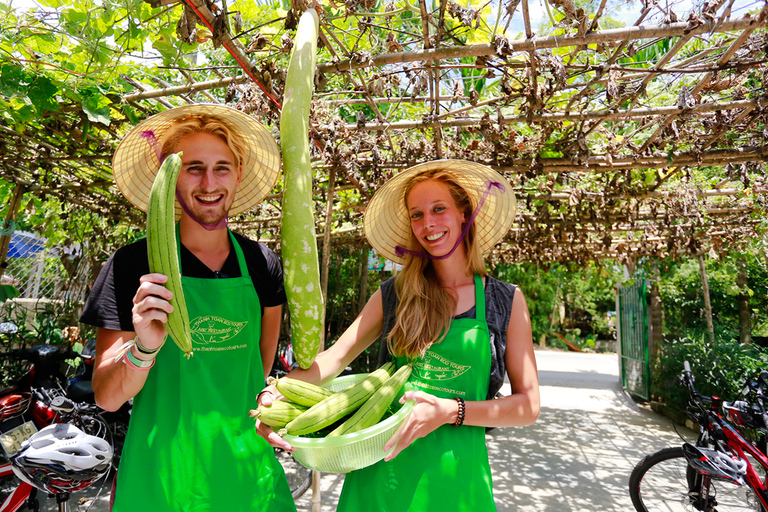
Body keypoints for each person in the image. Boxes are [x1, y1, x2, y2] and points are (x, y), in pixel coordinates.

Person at [257, 160, 540, 511]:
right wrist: (277, 391)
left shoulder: (505, 300)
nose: (428, 224)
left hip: (457, 486)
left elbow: (528, 406)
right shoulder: (395, 293)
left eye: (439, 209)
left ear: (464, 214)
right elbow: (334, 358)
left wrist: (451, 410)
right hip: (382, 480)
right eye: (416, 215)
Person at [80, 104, 296, 512]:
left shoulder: (261, 264)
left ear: (238, 173)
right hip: (162, 475)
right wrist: (143, 348)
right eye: (193, 167)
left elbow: (259, 368)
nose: (209, 182)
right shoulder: (132, 265)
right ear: (170, 177)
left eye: (222, 167)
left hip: (246, 471)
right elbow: (107, 397)